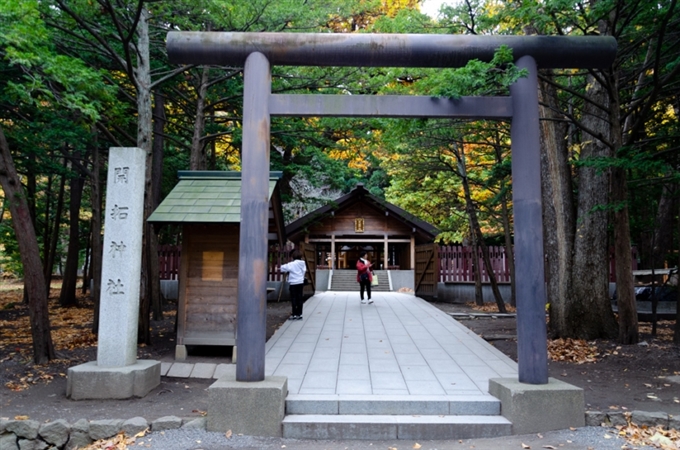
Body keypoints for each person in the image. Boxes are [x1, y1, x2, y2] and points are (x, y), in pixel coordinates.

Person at [280, 250, 307, 320]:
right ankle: (300, 314)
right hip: (300, 282)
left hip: (293, 283)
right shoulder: (303, 263)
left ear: (293, 256)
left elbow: (282, 268)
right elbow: (304, 271)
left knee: (294, 298)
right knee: (300, 298)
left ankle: (294, 314)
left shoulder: (291, 264)